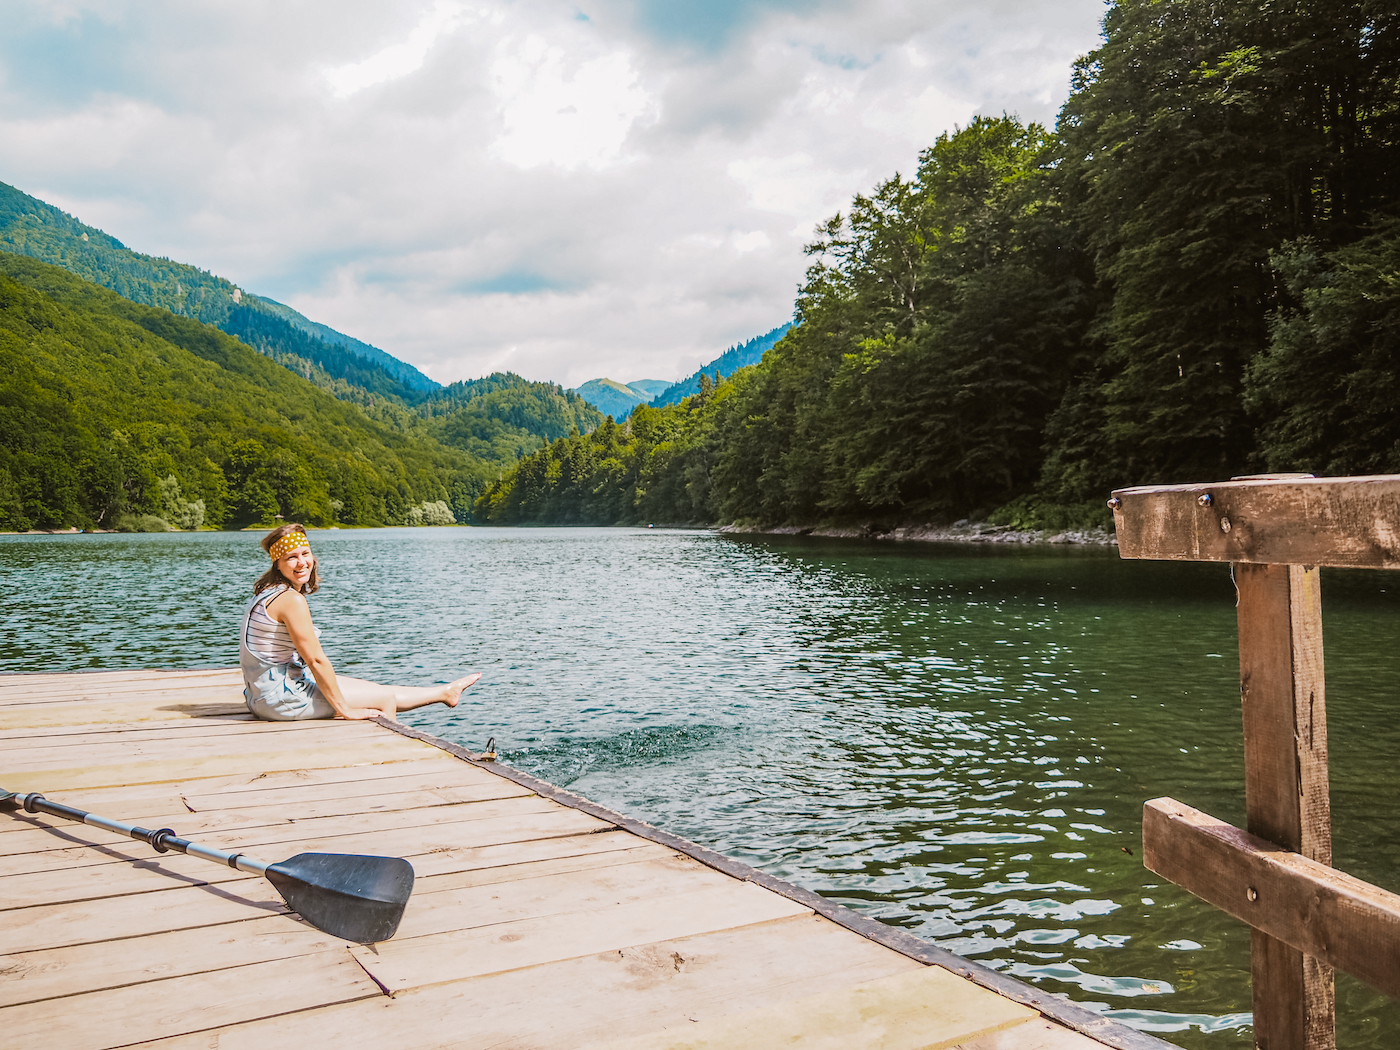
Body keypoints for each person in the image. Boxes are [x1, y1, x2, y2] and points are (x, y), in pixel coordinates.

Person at [239, 523, 480, 721]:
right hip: (282, 700)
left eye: (305, 553)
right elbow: (315, 659)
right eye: (291, 558)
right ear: (278, 564)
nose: (302, 562)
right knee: (383, 698)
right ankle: (390, 759)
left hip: (263, 696)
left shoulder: (268, 592)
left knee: (374, 688)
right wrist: (345, 710)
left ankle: (444, 692)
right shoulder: (290, 599)